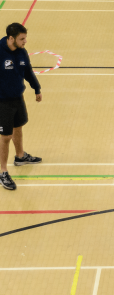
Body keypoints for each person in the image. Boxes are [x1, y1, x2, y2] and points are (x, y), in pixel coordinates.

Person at [0, 23, 42, 191]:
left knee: (18, 126)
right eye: (22, 39)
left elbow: (28, 72)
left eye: (25, 38)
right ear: (11, 38)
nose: (25, 41)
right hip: (2, 101)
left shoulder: (22, 52)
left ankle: (20, 156)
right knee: (5, 137)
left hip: (18, 97)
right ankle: (3, 172)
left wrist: (36, 88)